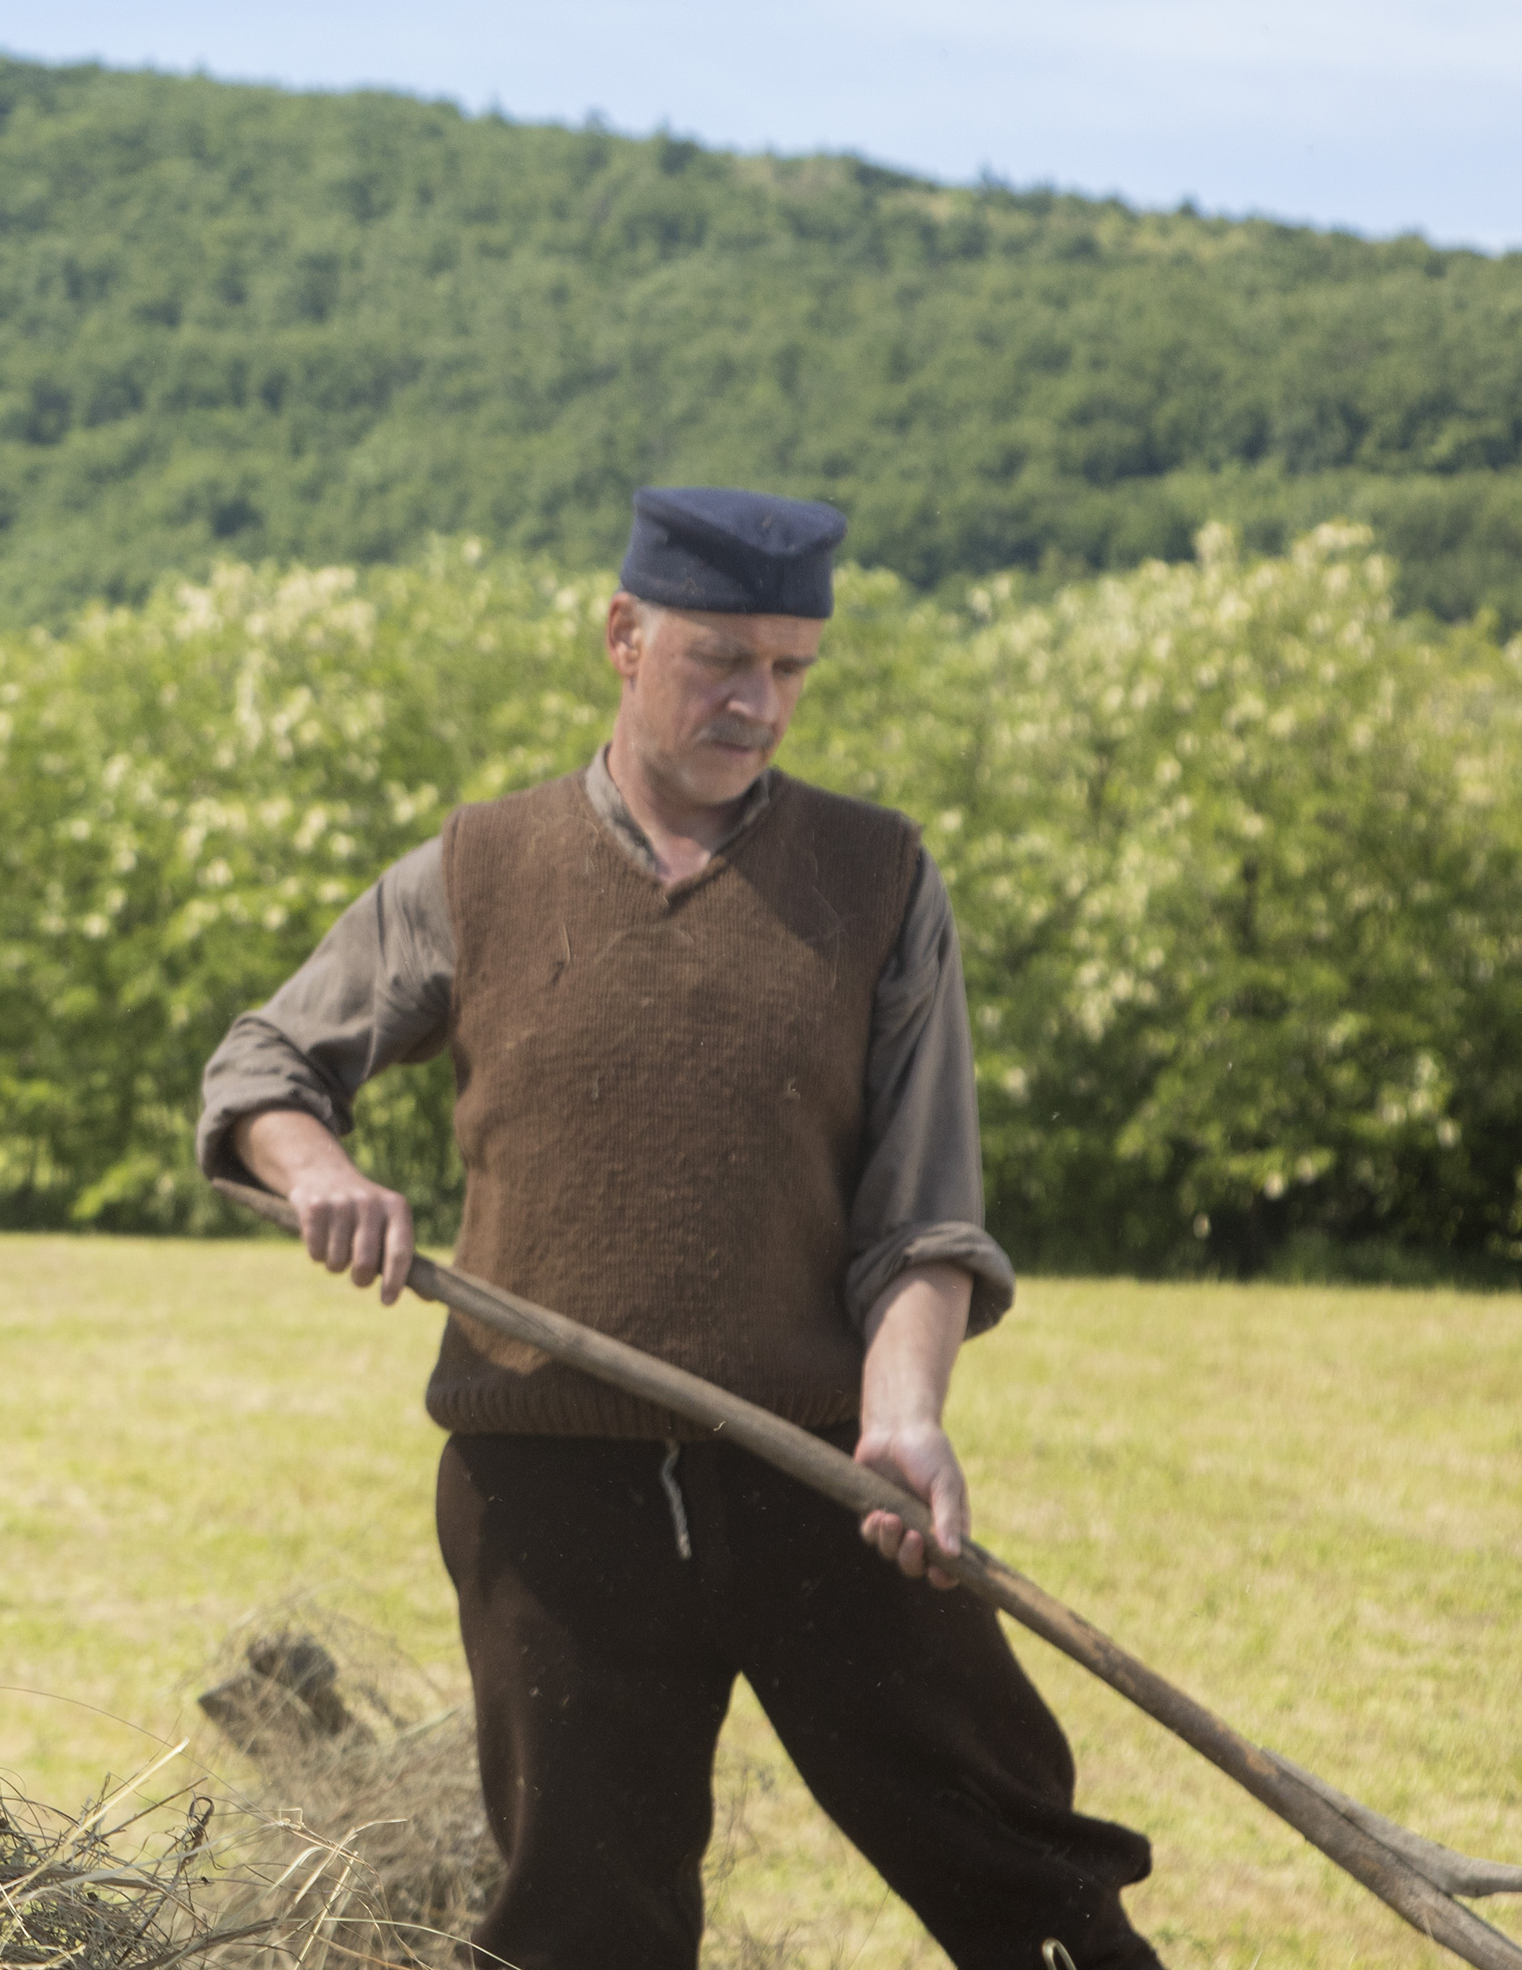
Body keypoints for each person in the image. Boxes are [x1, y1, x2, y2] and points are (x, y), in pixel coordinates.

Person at [195, 489, 1159, 1970]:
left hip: (822, 1480)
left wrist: (903, 1420)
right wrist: (317, 1170)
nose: (756, 703)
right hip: (548, 1496)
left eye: (790, 668)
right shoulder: (480, 869)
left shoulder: (877, 882)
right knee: (585, 1925)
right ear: (624, 637)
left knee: (1026, 1879)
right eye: (721, 659)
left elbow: (925, 1215)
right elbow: (263, 1068)